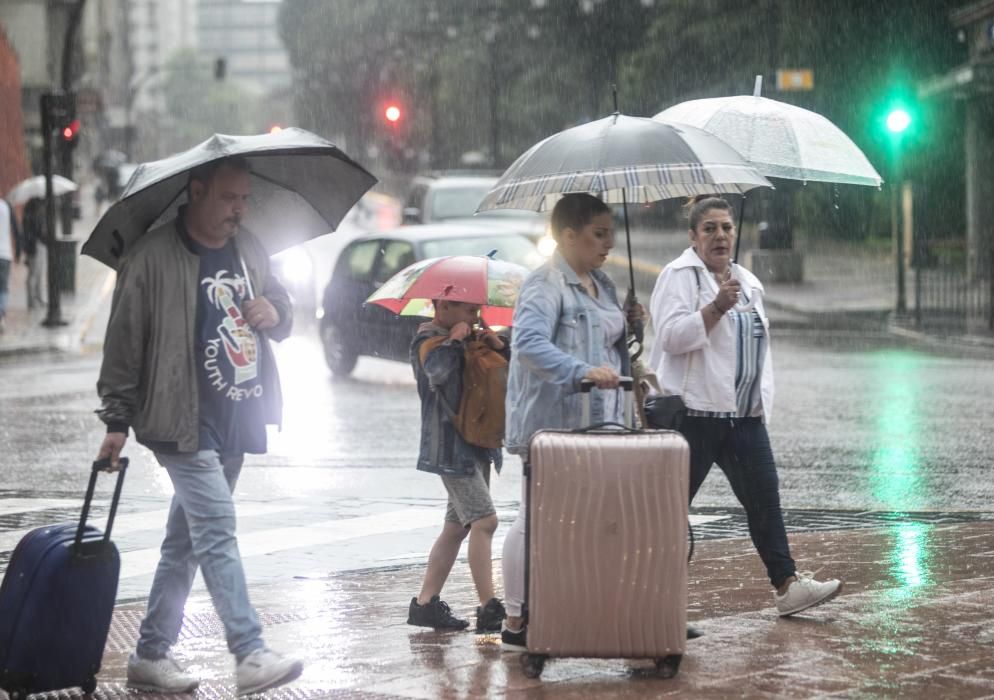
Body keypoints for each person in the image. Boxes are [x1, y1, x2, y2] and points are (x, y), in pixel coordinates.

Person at [94, 156, 303, 694]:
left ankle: (149, 654)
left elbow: (282, 303)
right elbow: (124, 343)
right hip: (176, 417)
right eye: (230, 198)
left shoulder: (247, 247)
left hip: (237, 412)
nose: (239, 209)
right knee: (215, 529)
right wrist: (116, 418)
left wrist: (274, 311)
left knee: (185, 541)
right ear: (197, 191)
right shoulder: (150, 257)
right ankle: (249, 651)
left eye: (245, 198)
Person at [648, 195, 842, 617]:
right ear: (693, 236)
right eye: (710, 228)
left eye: (726, 227)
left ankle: (787, 586)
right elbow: (670, 338)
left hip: (743, 416)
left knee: (764, 502)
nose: (720, 236)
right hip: (694, 415)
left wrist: (759, 403)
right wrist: (715, 307)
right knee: (665, 510)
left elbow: (756, 350)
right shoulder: (678, 277)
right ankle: (645, 596)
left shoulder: (750, 283)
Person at [500, 192, 634, 652]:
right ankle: (516, 619)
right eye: (599, 234)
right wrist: (581, 371)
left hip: (602, 424)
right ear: (568, 235)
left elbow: (611, 347)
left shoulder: (604, 285)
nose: (608, 244)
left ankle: (583, 608)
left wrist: (631, 329)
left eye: (611, 234)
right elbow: (530, 345)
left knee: (594, 519)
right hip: (553, 424)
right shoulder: (547, 284)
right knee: (536, 518)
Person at [407, 298, 508, 633]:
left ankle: (425, 604)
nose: (474, 316)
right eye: (467, 309)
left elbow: (493, 379)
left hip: (477, 444)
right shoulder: (428, 341)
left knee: (457, 527)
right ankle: (488, 607)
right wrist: (453, 340)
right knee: (485, 520)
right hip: (450, 449)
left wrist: (498, 346)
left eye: (476, 310)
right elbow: (436, 373)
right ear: (444, 306)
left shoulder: (468, 339)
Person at [20, 198, 46, 309]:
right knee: (34, 275)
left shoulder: (28, 215)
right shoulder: (33, 215)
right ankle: (33, 299)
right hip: (35, 246)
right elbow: (38, 232)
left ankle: (36, 298)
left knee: (36, 274)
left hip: (33, 247)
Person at [0, 198, 20, 333]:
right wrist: (18, 252)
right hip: (5, 254)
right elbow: (16, 230)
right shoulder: (6, 206)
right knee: (3, 288)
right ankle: (1, 316)